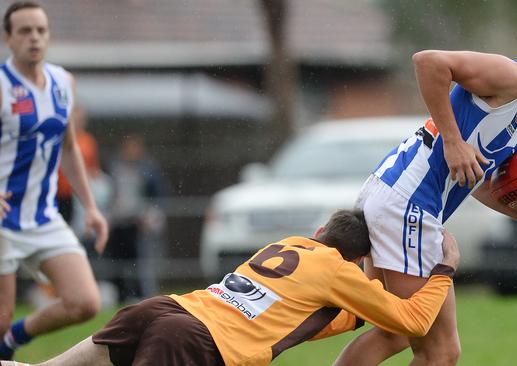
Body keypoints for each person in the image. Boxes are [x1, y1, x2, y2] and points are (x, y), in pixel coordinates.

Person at [334, 8, 517, 366]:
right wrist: (452, 140)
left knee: (394, 332)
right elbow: (428, 62)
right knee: (439, 352)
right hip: (409, 203)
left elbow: (476, 180)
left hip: (395, 197)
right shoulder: (516, 79)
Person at [3, 209, 460, 366]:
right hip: (194, 343)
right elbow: (410, 320)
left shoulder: (285, 245)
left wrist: (367, 302)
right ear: (358, 261)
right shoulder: (338, 272)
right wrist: (444, 269)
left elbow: (308, 321)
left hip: (162, 310)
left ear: (321, 230)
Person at [0, 1, 109, 360]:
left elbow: (69, 149)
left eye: (41, 31)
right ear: (8, 38)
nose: (34, 38)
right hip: (2, 220)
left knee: (85, 302)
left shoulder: (64, 83)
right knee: (0, 315)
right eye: (25, 31)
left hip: (43, 217)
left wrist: (91, 207)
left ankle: (13, 339)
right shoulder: (2, 85)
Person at [105, 134, 164, 301]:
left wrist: (150, 217)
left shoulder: (148, 169)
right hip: (118, 221)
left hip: (138, 222)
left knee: (140, 260)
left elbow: (157, 196)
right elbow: (108, 193)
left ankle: (141, 294)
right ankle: (120, 294)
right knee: (117, 259)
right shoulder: (115, 167)